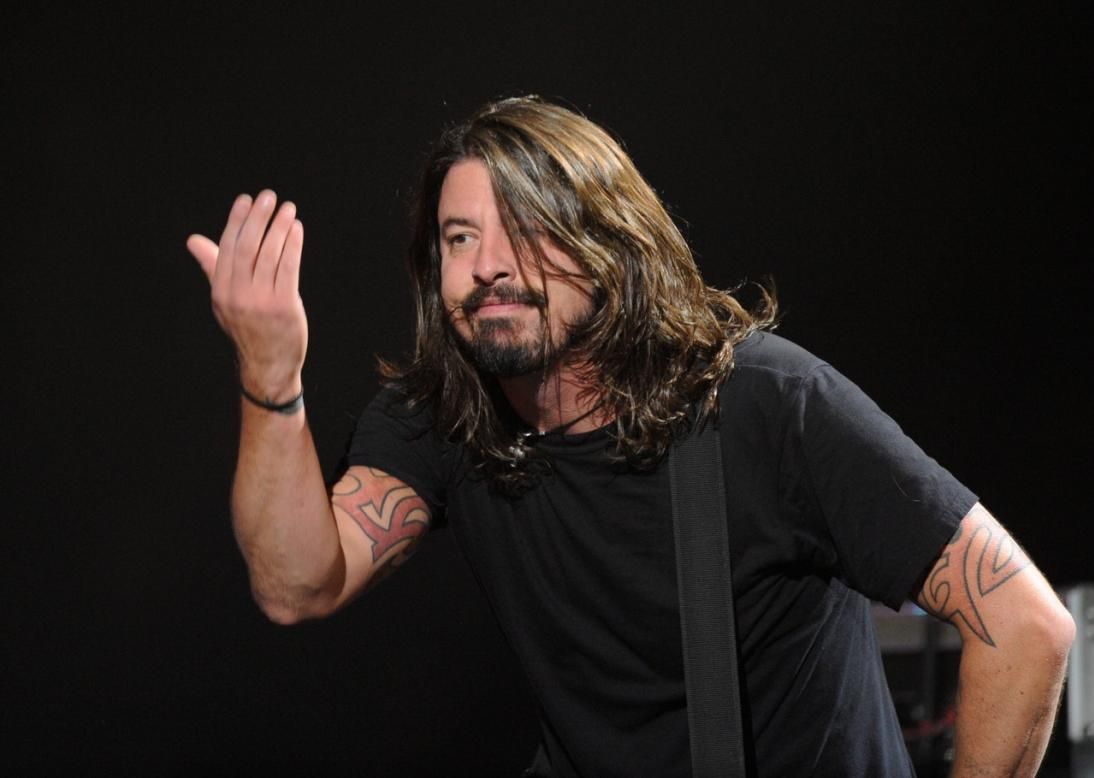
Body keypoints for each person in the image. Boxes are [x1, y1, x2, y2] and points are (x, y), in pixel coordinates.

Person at [186, 96, 1074, 777]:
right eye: (460, 237)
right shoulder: (447, 416)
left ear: (608, 243)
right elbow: (297, 584)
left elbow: (1027, 625)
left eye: (527, 231)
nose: (488, 265)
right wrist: (271, 373)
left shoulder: (768, 404)